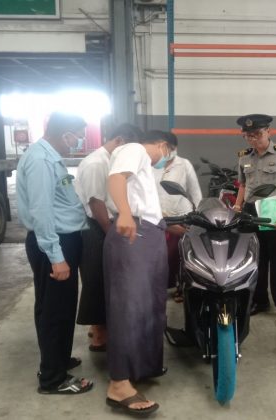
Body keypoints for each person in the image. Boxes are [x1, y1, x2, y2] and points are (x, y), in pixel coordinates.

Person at [16, 112, 93, 394]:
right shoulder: (41, 160)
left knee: (57, 306)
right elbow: (41, 210)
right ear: (65, 134)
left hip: (61, 239)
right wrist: (56, 256)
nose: (79, 142)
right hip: (54, 242)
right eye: (78, 137)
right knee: (55, 310)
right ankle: (52, 378)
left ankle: (57, 359)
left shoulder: (49, 157)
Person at [103, 133, 171, 416]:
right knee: (128, 308)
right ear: (162, 145)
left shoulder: (142, 163)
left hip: (148, 233)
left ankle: (140, 366)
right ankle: (119, 383)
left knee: (149, 306)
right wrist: (125, 213)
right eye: (167, 153)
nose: (164, 159)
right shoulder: (135, 149)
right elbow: (117, 178)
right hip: (135, 233)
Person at [74, 123, 143, 352]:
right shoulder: (96, 163)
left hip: (105, 224)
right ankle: (99, 336)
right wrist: (110, 233)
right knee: (96, 280)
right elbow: (96, 203)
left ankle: (99, 327)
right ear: (119, 140)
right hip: (95, 227)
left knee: (106, 280)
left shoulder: (108, 160)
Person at [232, 114, 276, 329]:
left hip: (274, 212)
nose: (253, 139)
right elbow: (243, 185)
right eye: (248, 136)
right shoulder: (244, 157)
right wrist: (237, 206)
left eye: (257, 134)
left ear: (268, 131)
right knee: (255, 260)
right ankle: (260, 300)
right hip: (250, 212)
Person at [152, 130, 202, 298]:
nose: (168, 151)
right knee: (160, 257)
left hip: (181, 217)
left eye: (171, 148)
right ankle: (161, 287)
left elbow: (195, 192)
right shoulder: (150, 164)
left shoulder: (184, 164)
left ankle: (182, 287)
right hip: (158, 219)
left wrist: (198, 217)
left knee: (180, 256)